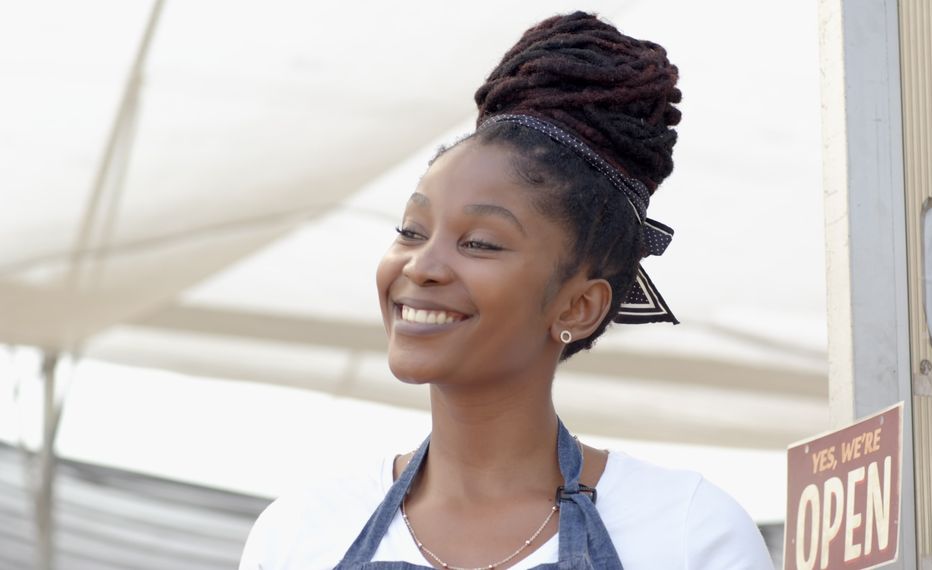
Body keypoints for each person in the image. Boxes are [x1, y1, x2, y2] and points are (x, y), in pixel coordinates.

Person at [240, 11, 773, 570]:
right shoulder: (301, 534)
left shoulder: (687, 532)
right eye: (411, 232)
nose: (422, 266)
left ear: (579, 306)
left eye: (480, 244)